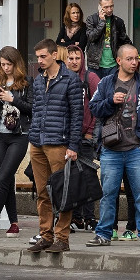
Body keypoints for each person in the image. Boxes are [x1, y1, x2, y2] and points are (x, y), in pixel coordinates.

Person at [87, 44, 140, 248]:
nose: (134, 62)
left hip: (137, 149)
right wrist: (110, 101)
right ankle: (103, 233)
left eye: (136, 58)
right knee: (108, 194)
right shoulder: (106, 83)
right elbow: (94, 107)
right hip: (111, 149)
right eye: (129, 59)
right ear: (119, 61)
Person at [26, 38, 83, 254]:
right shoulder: (39, 80)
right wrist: (33, 136)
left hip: (59, 143)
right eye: (37, 57)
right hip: (38, 142)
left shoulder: (70, 79)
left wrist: (73, 145)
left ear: (54, 55)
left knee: (62, 193)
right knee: (42, 192)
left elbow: (77, 114)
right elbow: (36, 110)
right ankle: (45, 235)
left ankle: (62, 238)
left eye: (43, 56)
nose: (39, 60)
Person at [0, 46, 32, 239]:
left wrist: (12, 99)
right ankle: (14, 223)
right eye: (2, 64)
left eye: (9, 64)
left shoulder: (28, 83)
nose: (5, 68)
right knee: (7, 177)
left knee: (3, 176)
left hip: (19, 136)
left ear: (16, 63)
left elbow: (32, 109)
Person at [64, 45, 100, 232]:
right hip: (65, 137)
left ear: (82, 59)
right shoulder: (62, 78)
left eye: (77, 58)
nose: (74, 61)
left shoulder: (91, 78)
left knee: (87, 177)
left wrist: (91, 131)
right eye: (70, 58)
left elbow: (99, 105)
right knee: (68, 179)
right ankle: (73, 218)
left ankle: (90, 218)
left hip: (86, 137)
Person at [85, 0, 132, 80]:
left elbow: (125, 41)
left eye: (111, 6)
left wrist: (134, 54)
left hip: (113, 64)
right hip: (95, 65)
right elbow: (91, 38)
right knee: (96, 92)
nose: (109, 9)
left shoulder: (118, 21)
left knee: (111, 92)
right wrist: (102, 22)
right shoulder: (92, 19)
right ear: (99, 7)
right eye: (106, 7)